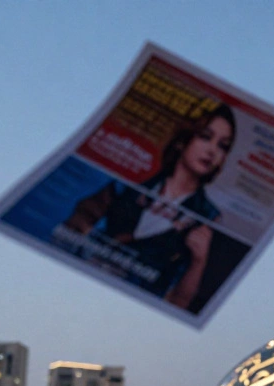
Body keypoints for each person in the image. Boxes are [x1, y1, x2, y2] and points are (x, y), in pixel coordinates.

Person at [63, 104, 236, 310]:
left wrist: (199, 260)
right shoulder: (129, 184)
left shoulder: (208, 217)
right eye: (205, 136)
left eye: (223, 146)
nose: (212, 151)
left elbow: (180, 303)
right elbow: (71, 228)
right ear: (183, 141)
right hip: (79, 287)